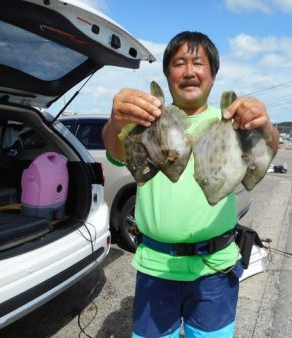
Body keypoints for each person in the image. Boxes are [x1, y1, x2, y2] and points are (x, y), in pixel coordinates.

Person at [102, 31, 279, 338]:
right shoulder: (146, 119)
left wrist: (267, 126)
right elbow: (116, 153)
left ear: (212, 73)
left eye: (198, 62)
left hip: (215, 267)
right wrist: (116, 121)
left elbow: (267, 151)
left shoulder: (233, 121)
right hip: (156, 265)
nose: (188, 71)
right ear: (167, 73)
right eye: (179, 63)